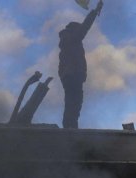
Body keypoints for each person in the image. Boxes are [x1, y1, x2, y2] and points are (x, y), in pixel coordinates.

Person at [58, 0, 103, 129]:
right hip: (73, 76)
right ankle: (71, 130)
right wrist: (94, 11)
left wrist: (64, 77)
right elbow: (85, 26)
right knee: (75, 104)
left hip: (70, 77)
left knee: (71, 104)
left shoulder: (65, 44)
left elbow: (60, 69)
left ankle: (70, 128)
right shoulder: (73, 38)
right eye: (78, 29)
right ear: (74, 29)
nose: (81, 31)